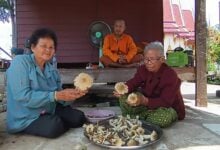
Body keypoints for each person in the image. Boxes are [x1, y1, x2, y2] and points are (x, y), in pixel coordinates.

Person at [6, 28, 88, 138]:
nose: (48, 50)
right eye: (43, 46)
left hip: (48, 109)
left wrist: (73, 94)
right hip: (25, 116)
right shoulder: (20, 63)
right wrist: (55, 95)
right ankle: (54, 122)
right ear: (33, 47)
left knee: (79, 118)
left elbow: (59, 97)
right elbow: (22, 96)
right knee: (54, 126)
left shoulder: (52, 69)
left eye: (51, 47)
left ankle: (56, 120)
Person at [114, 41, 185, 127]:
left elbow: (166, 101)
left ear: (162, 59)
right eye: (146, 59)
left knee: (164, 118)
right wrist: (124, 88)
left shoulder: (170, 74)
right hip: (146, 106)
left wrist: (145, 101)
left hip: (166, 108)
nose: (148, 62)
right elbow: (134, 82)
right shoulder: (142, 69)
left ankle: (135, 117)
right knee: (123, 97)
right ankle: (142, 117)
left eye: (152, 59)